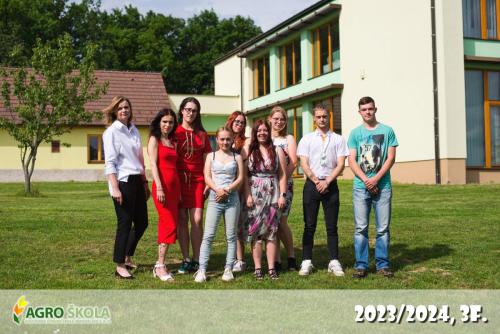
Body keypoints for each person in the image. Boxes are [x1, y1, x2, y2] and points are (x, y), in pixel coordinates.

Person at [347, 96, 398, 279]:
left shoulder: (388, 131)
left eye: (370, 108)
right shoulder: (354, 133)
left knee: (382, 228)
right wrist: (366, 180)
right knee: (361, 228)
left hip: (383, 186)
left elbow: (391, 158)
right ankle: (361, 265)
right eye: (364, 109)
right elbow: (351, 160)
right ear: (359, 112)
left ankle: (383, 265)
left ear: (375, 109)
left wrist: (375, 179)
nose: (367, 112)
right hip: (361, 187)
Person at [296, 103, 349, 276]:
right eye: (318, 117)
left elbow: (341, 163)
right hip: (312, 186)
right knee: (309, 226)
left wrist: (327, 181)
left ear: (329, 117)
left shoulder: (338, 139)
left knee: (331, 226)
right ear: (314, 119)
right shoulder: (307, 139)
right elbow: (303, 162)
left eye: (324, 116)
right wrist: (315, 180)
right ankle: (306, 261)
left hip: (331, 185)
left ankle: (334, 261)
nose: (322, 119)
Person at [103, 96, 150, 279]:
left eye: (127, 108)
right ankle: (120, 265)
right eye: (120, 108)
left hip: (137, 180)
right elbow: (110, 163)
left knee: (142, 222)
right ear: (115, 111)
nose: (124, 110)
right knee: (124, 224)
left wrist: (145, 183)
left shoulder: (134, 130)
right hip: (122, 182)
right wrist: (114, 188)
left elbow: (140, 160)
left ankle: (127, 255)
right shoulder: (111, 132)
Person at [194, 127, 244, 282]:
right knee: (208, 235)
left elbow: (241, 178)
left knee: (231, 236)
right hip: (215, 199)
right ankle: (202, 269)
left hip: (232, 199)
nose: (225, 142)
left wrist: (227, 190)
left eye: (228, 139)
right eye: (222, 139)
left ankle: (228, 269)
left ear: (232, 140)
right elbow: (207, 176)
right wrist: (217, 189)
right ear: (217, 140)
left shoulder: (237, 157)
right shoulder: (211, 156)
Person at [245, 120, 287, 280]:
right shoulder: (249, 150)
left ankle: (271, 268)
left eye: (265, 130)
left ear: (269, 132)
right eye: (259, 130)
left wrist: (282, 195)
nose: (262, 133)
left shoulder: (277, 150)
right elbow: (245, 175)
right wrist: (247, 195)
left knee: (272, 232)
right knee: (256, 233)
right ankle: (257, 268)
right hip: (255, 195)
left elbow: (282, 174)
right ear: (255, 133)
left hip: (273, 193)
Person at [174, 97, 212, 274]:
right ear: (181, 110)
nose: (190, 113)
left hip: (198, 180)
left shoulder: (202, 134)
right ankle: (186, 259)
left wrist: (208, 181)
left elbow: (207, 160)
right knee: (182, 220)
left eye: (194, 110)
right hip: (180, 181)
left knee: (197, 220)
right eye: (188, 109)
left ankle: (197, 259)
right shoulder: (175, 132)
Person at [148, 108, 180, 282]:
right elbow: (153, 164)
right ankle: (159, 265)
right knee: (169, 224)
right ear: (159, 122)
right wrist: (159, 187)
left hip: (175, 189)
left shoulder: (172, 140)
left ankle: (160, 264)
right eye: (164, 121)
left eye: (170, 122)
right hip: (162, 188)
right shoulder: (155, 139)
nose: (167, 125)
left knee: (166, 224)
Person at [269, 106, 298, 271]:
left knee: (282, 222)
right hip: (267, 187)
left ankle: (291, 256)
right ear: (270, 119)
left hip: (285, 185)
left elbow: (293, 162)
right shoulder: (264, 137)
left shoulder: (288, 138)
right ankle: (277, 260)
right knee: (272, 222)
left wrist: (282, 182)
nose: (279, 122)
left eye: (282, 119)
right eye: (276, 119)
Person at [224, 111, 251, 273]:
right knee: (229, 226)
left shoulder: (245, 143)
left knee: (237, 225)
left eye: (242, 122)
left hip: (238, 186)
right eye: (237, 121)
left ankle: (240, 260)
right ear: (231, 120)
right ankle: (231, 258)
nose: (239, 124)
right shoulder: (224, 137)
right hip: (224, 186)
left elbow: (244, 169)